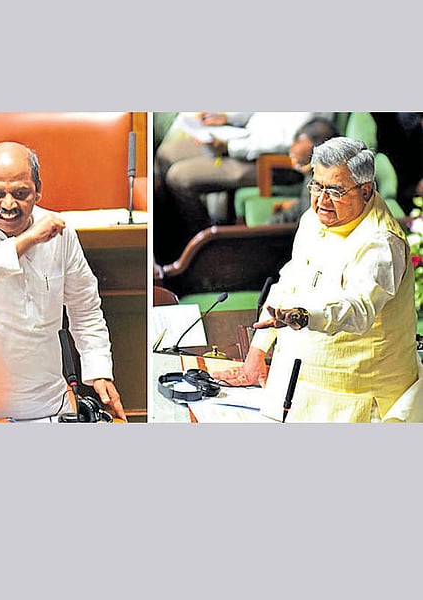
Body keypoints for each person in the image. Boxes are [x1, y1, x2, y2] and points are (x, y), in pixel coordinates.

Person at [219, 137, 421, 422]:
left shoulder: (381, 244)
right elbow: (289, 280)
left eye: (335, 190)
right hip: (298, 386)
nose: (322, 200)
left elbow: (358, 310)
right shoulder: (313, 219)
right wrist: (258, 350)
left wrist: (304, 316)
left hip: (358, 402)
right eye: (317, 186)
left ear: (365, 191)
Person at [0, 141, 125, 422]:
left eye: (20, 194)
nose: (9, 205)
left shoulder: (61, 233)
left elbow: (85, 309)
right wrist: (28, 240)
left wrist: (98, 370)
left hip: (46, 403)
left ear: (38, 190)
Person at [155, 112, 330, 241]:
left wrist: (230, 146)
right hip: (241, 136)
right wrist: (229, 118)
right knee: (166, 154)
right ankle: (170, 235)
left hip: (268, 160)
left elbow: (289, 143)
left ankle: (201, 244)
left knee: (179, 177)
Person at [269, 117, 340, 224]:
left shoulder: (324, 179)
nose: (292, 147)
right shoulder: (312, 173)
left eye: (298, 140)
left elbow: (308, 211)